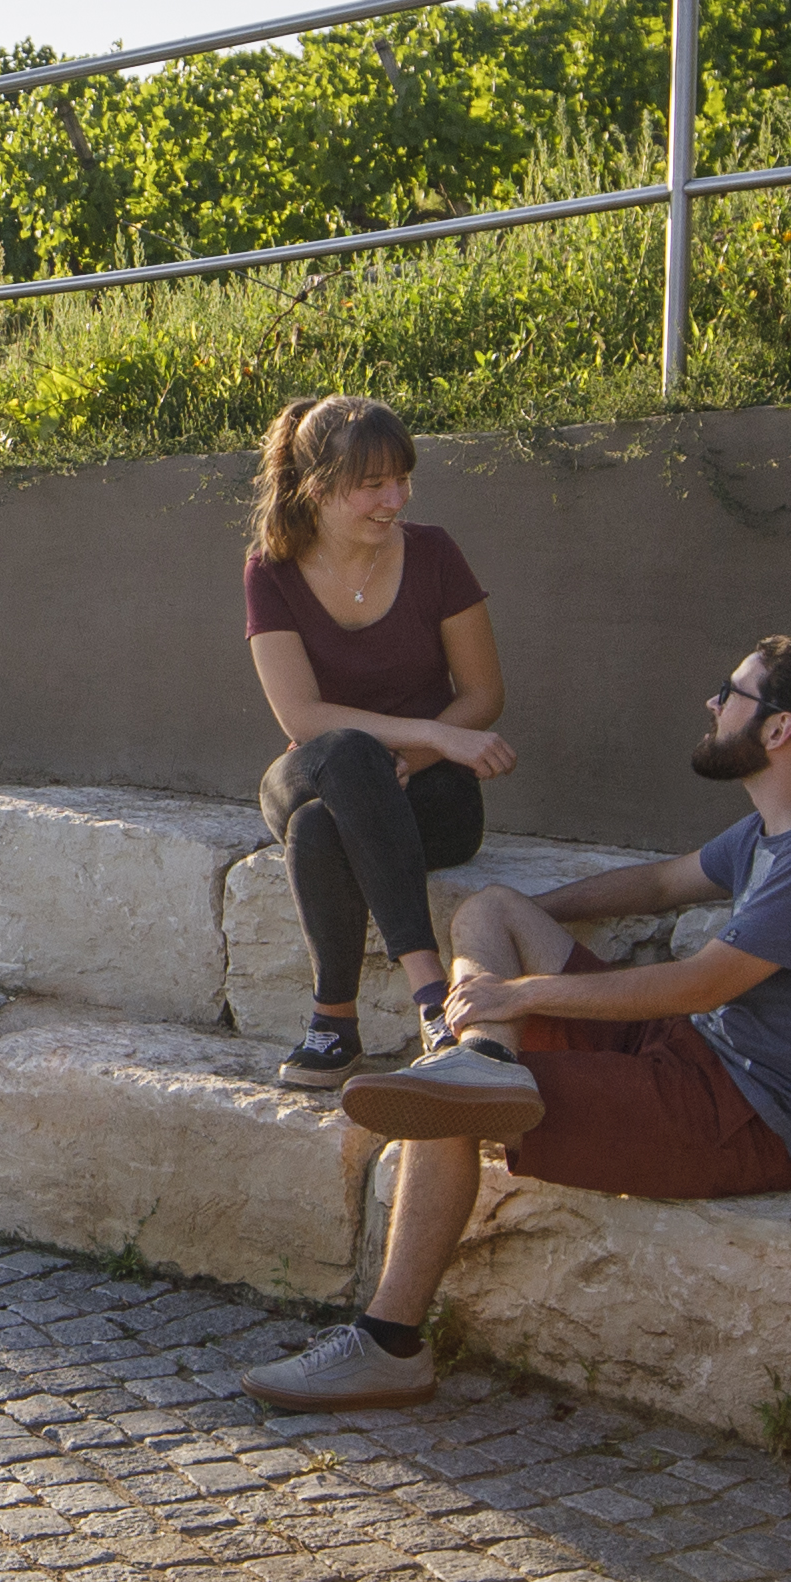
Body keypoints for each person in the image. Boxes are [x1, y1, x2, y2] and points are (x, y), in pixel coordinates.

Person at [239, 633, 791, 1412]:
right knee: (491, 909)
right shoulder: (775, 830)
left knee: (444, 1108)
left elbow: (702, 984)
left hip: (751, 1116)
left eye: (731, 693)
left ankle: (388, 1346)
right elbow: (663, 883)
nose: (713, 703)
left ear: (777, 729)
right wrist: (532, 916)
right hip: (691, 1056)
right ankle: (483, 1061)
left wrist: (523, 995)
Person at [235, 394, 510, 1081]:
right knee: (346, 754)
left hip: (430, 796)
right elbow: (301, 717)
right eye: (373, 485)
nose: (395, 498)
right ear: (319, 486)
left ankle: (334, 1022)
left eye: (403, 480)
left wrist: (415, 759)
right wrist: (425, 735)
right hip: (318, 764)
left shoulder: (435, 554)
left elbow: (482, 693)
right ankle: (432, 999)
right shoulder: (269, 571)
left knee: (324, 827)